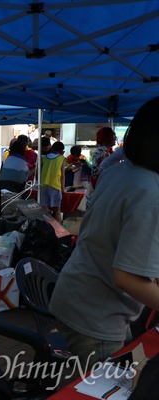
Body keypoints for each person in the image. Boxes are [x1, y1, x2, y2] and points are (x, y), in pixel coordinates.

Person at [49, 97, 159, 366]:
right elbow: (127, 278)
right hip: (96, 314)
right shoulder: (149, 192)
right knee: (101, 390)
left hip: (76, 295)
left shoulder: (120, 173)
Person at [39, 141, 66, 222]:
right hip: (55, 185)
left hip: (43, 185)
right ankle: (59, 231)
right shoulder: (62, 159)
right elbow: (63, 175)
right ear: (62, 151)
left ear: (52, 148)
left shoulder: (44, 158)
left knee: (44, 209)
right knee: (57, 209)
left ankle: (45, 228)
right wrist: (63, 188)